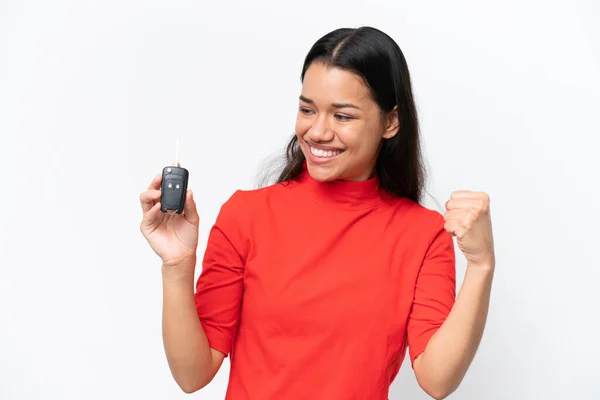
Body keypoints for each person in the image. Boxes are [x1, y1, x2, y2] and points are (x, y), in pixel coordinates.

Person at [139, 26, 495, 400]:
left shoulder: (423, 235)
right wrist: (177, 266)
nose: (317, 132)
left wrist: (481, 264)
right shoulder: (247, 215)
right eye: (307, 109)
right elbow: (192, 373)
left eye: (342, 116)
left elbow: (437, 380)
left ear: (391, 122)